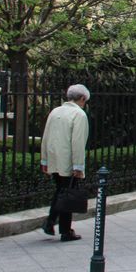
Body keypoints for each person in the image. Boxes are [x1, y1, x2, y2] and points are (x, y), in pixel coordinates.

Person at [40, 84, 91, 242]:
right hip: (68, 161)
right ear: (82, 98)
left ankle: (56, 225)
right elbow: (77, 143)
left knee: (61, 192)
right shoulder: (79, 114)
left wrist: (45, 160)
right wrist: (78, 166)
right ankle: (60, 228)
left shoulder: (55, 111)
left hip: (54, 159)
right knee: (67, 194)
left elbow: (46, 136)